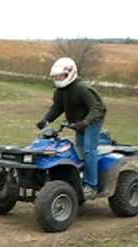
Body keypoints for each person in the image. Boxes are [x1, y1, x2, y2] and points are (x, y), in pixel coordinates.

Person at [37, 57, 107, 200]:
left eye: (61, 76)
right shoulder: (60, 91)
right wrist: (46, 120)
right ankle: (75, 181)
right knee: (77, 152)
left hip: (92, 121)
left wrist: (86, 122)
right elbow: (57, 107)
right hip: (78, 122)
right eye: (56, 76)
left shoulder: (82, 89)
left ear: (70, 73)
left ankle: (91, 186)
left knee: (88, 150)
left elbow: (99, 108)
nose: (58, 78)